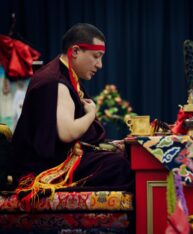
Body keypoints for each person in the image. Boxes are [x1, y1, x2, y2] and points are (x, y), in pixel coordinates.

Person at [9, 23, 133, 195]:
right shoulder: (55, 81)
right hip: (43, 168)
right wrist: (91, 113)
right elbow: (67, 133)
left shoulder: (66, 75)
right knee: (120, 166)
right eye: (96, 56)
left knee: (124, 157)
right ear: (75, 51)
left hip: (59, 157)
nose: (100, 65)